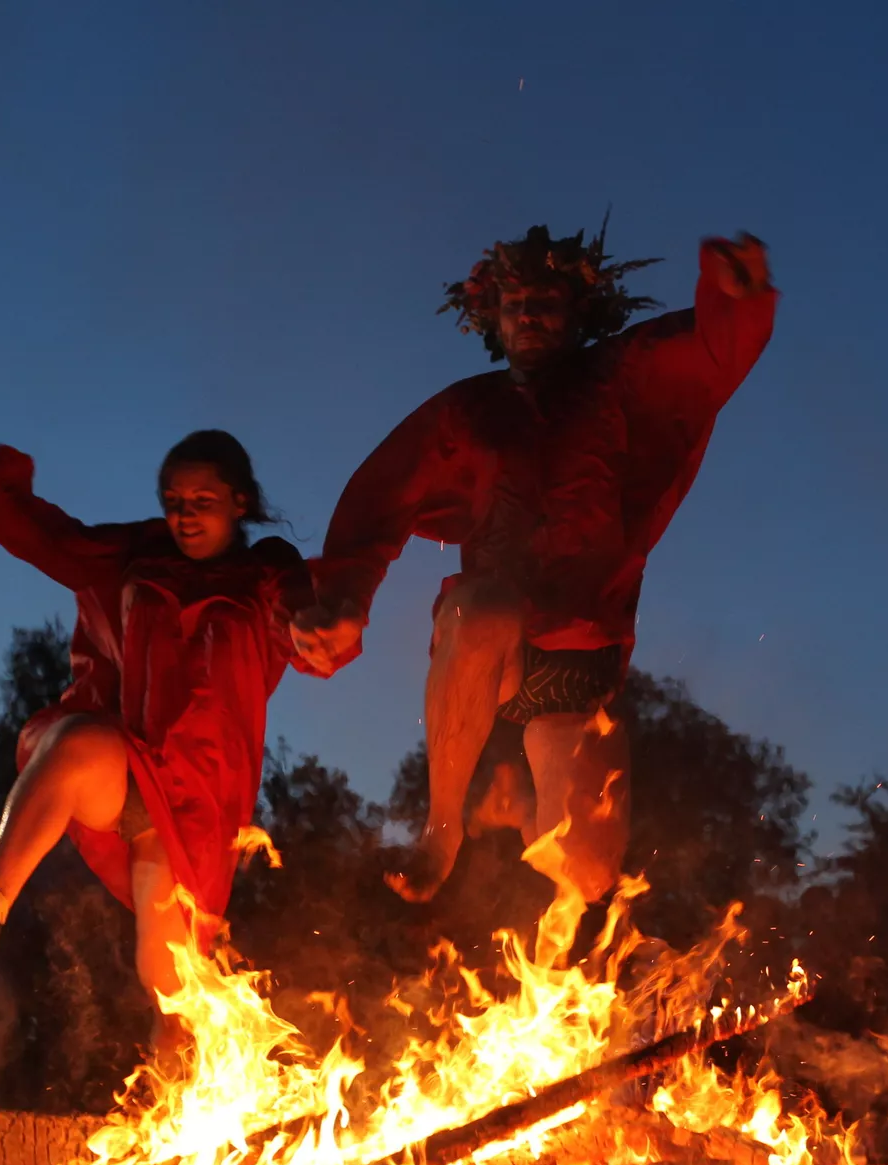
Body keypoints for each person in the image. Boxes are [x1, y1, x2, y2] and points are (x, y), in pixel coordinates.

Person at [295, 222, 777, 911]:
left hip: (585, 659)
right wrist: (344, 598)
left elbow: (706, 352)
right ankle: (442, 828)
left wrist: (736, 297)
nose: (528, 315)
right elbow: (381, 497)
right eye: (514, 304)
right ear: (492, 318)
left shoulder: (621, 376)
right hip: (496, 649)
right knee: (480, 607)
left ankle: (533, 838)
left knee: (587, 885)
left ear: (578, 311)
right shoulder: (468, 411)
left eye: (545, 301)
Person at [0, 420, 323, 1055]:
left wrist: (325, 628)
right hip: (128, 757)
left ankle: (179, 1132)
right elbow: (44, 537)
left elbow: (312, 622)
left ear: (241, 502)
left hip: (196, 802)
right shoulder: (141, 553)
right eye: (175, 503)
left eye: (204, 504)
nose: (186, 518)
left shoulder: (267, 570)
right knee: (74, 741)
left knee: (171, 989)